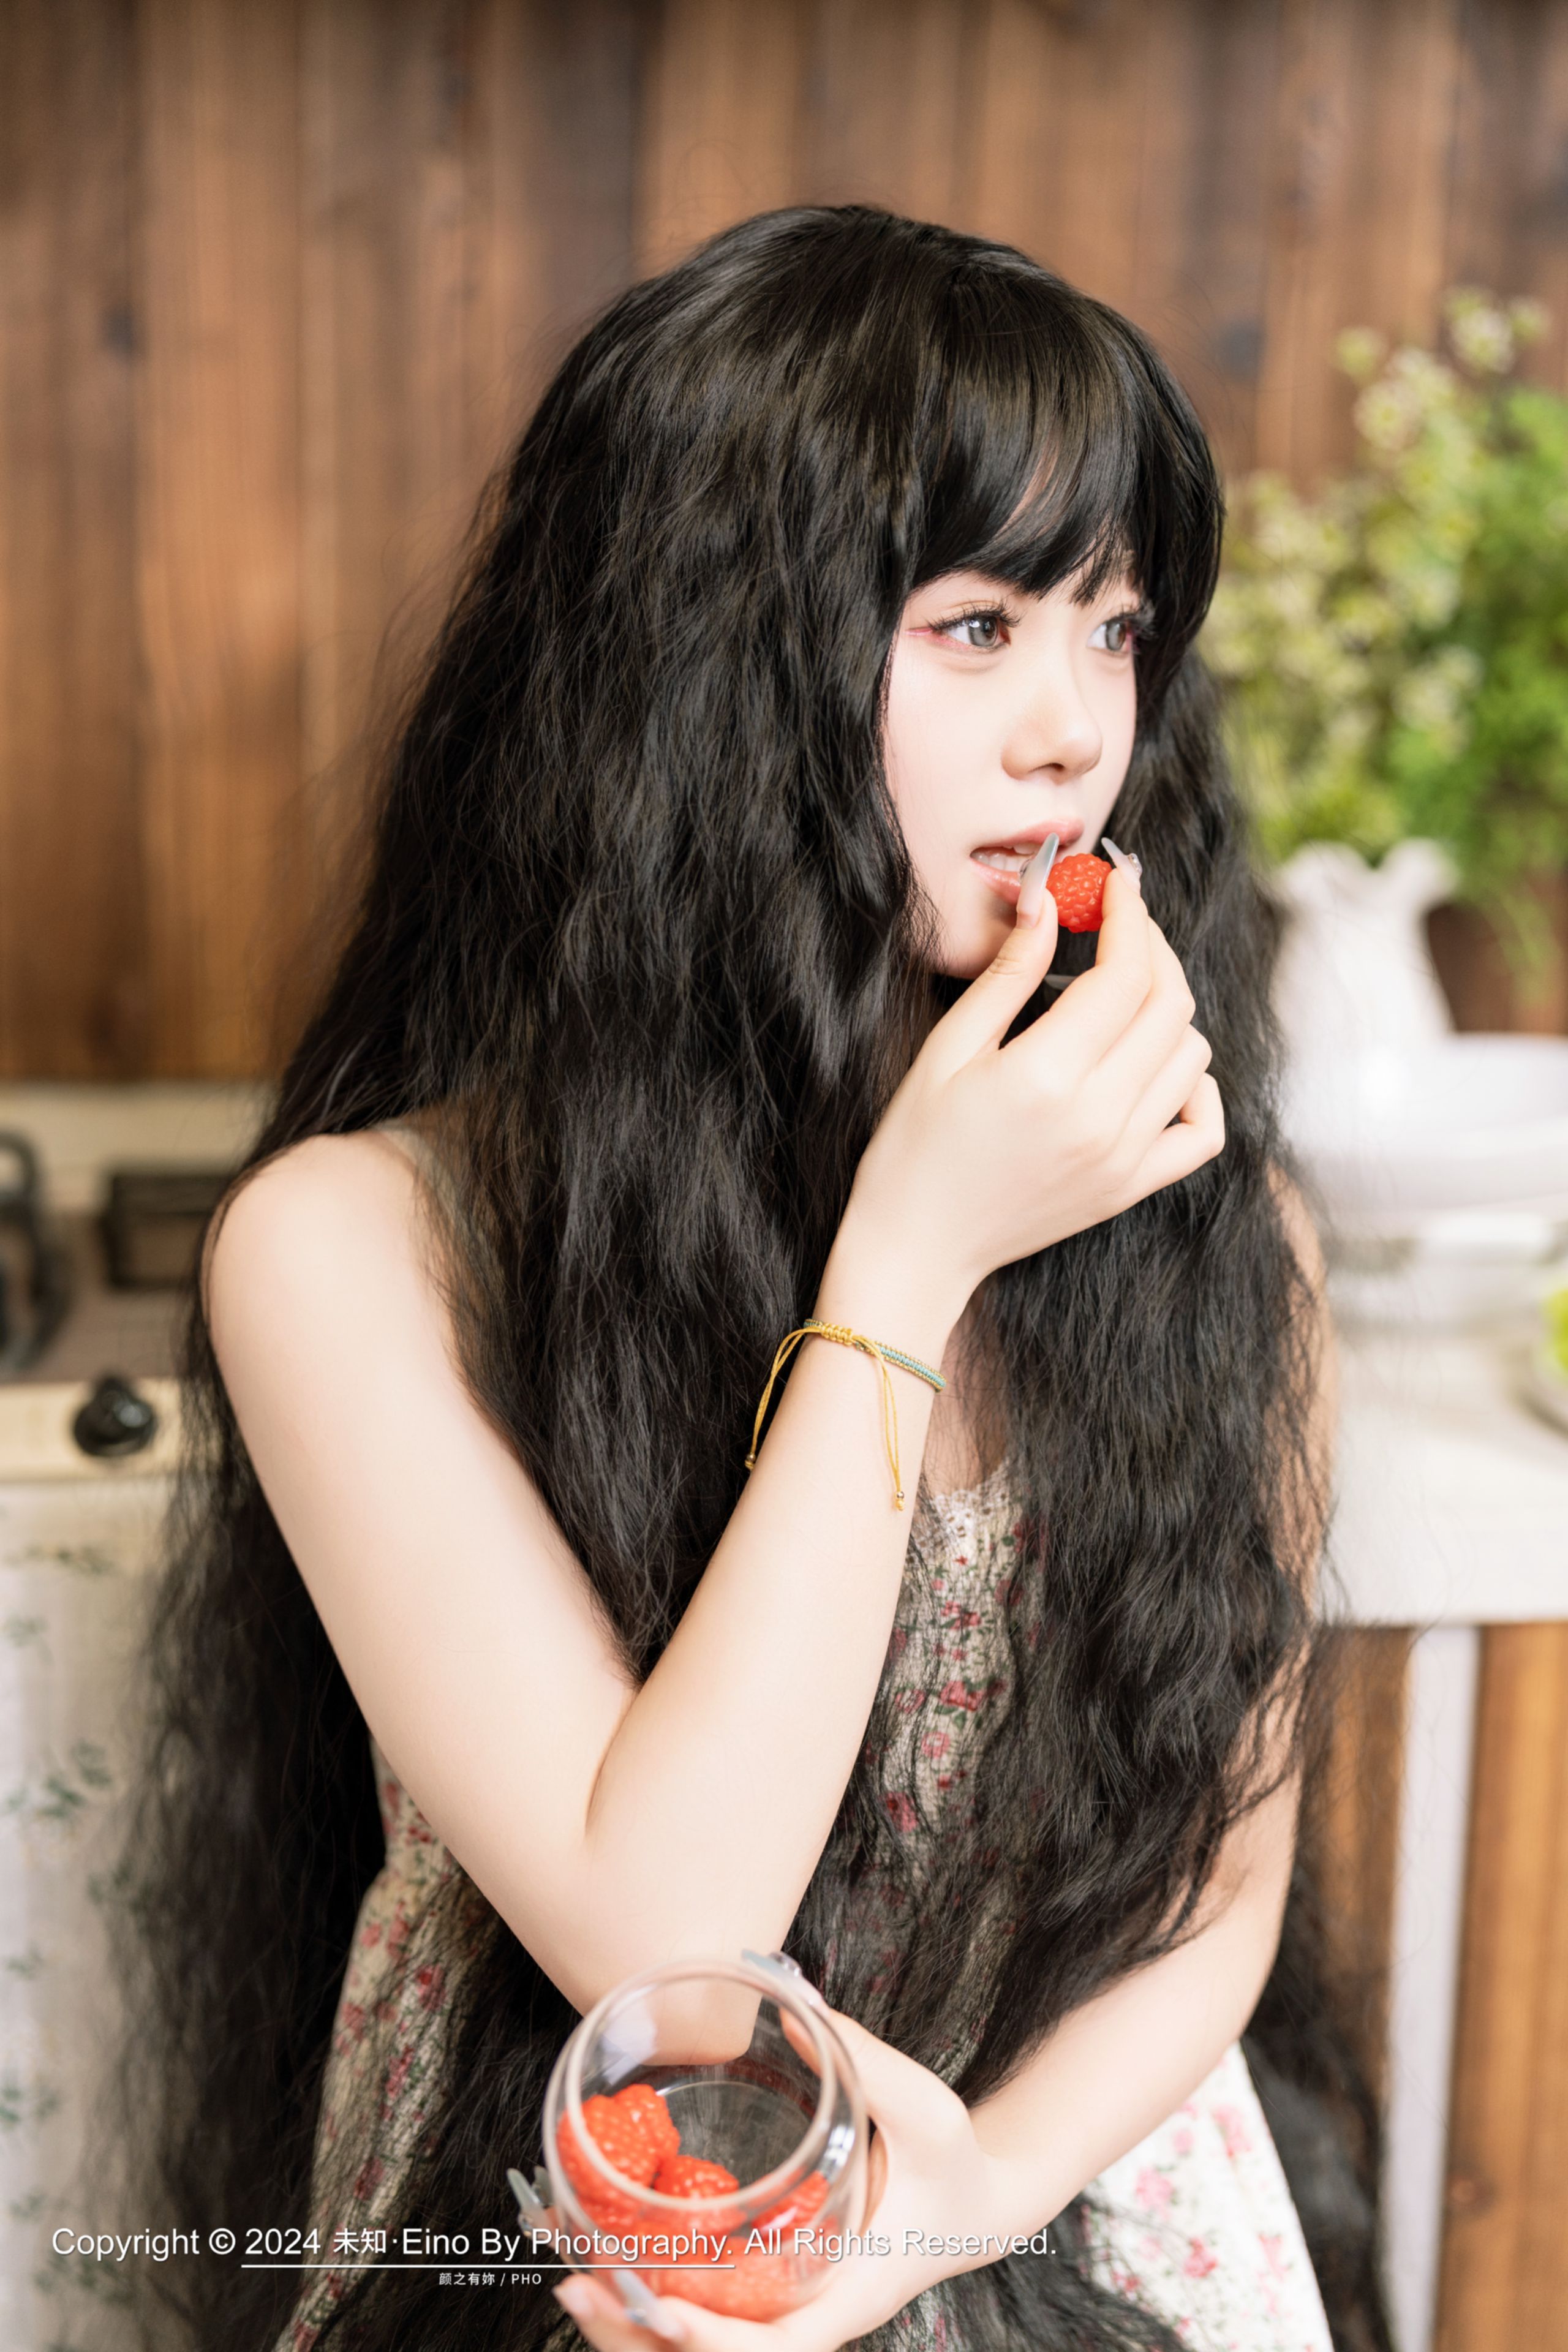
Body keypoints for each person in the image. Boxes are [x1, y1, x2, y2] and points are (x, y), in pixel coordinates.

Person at [117, 206, 1366, 2352]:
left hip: (1081, 2196)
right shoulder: (349, 1250)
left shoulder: (1224, 1228)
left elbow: (1219, 1889)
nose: (1075, 730)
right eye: (974, 627)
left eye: (1115, 626)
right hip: (588, 2237)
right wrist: (913, 1251)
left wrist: (966, 2198)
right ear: (719, 669)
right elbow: (669, 1942)